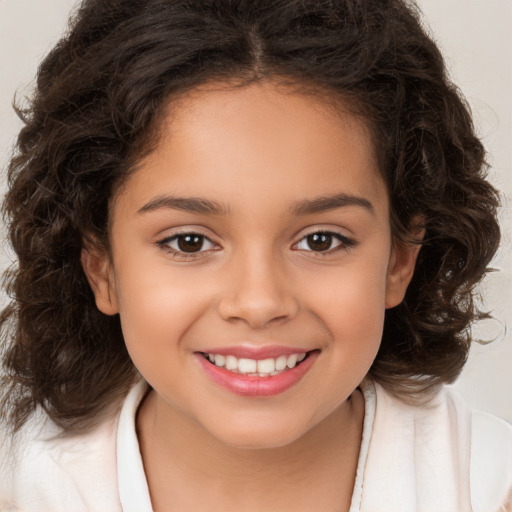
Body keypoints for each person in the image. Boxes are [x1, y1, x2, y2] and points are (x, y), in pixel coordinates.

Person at [1, 0, 511, 510]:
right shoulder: (22, 490)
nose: (259, 302)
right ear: (102, 266)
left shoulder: (490, 487)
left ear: (400, 260)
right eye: (189, 242)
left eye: (321, 240)